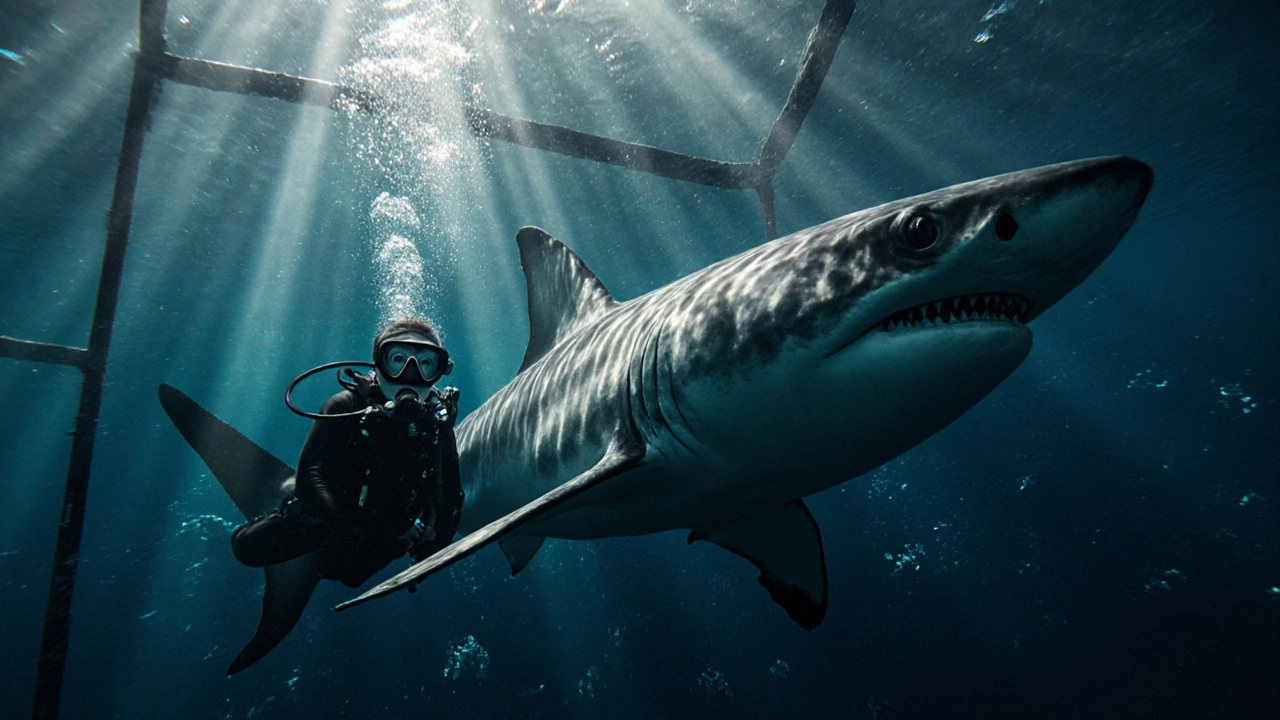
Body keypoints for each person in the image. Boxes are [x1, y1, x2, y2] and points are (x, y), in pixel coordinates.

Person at [229, 318, 463, 587]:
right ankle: (283, 499)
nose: (411, 375)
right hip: (327, 517)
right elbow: (311, 474)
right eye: (398, 360)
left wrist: (434, 551)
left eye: (426, 364)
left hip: (386, 531)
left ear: (439, 371)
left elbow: (451, 497)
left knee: (350, 577)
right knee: (246, 549)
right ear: (378, 364)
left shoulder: (437, 427)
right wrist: (345, 525)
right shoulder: (347, 406)